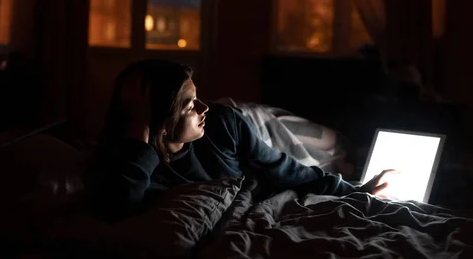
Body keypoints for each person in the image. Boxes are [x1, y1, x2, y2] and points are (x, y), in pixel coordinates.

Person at [89, 60, 393, 221]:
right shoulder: (130, 158)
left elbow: (283, 168)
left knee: (337, 149)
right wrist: (142, 138)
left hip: (254, 122)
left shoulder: (221, 122)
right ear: (157, 120)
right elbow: (117, 206)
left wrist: (354, 190)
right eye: (190, 104)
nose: (202, 107)